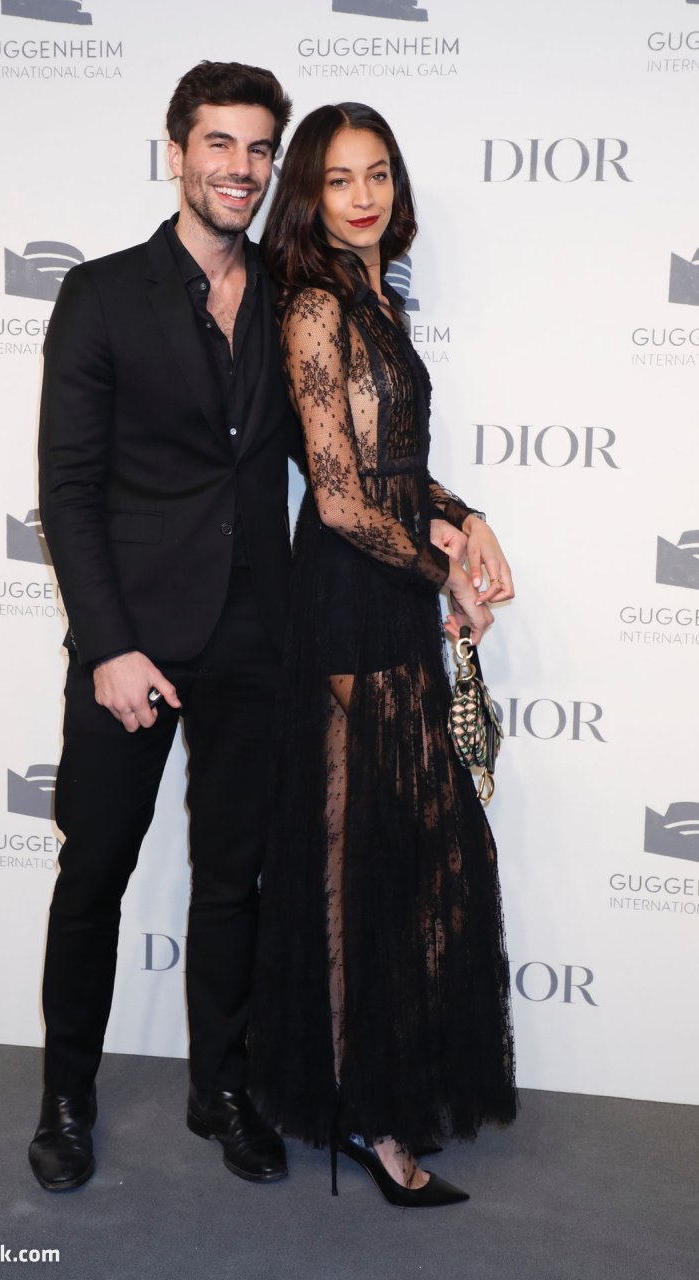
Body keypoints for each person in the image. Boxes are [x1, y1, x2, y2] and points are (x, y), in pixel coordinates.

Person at [29, 61, 298, 1192]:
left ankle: (219, 1089)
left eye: (258, 148)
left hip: (255, 635)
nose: (240, 168)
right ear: (177, 150)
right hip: (132, 636)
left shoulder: (290, 294)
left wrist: (449, 519)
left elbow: (341, 454)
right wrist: (108, 645)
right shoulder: (101, 294)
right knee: (94, 871)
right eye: (219, 144)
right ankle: (66, 1098)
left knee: (235, 879)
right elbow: (67, 486)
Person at [249, 103, 518, 1207]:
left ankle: (379, 1088)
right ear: (307, 195)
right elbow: (341, 496)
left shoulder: (376, 297)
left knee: (415, 855)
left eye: (378, 175)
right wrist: (441, 572)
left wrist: (467, 516)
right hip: (348, 602)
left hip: (393, 591)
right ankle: (362, 1111)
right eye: (338, 178)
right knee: (353, 860)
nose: (362, 197)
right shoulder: (315, 307)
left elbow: (398, 469)